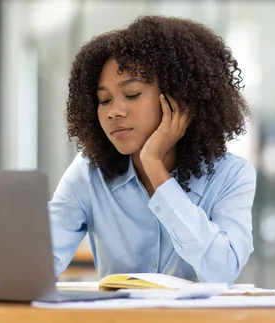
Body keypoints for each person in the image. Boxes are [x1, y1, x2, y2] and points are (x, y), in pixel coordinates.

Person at [49, 15, 256, 284]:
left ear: (179, 98)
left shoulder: (232, 175)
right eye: (104, 100)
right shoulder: (89, 173)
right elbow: (39, 260)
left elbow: (223, 270)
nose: (114, 112)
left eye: (132, 94)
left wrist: (155, 169)